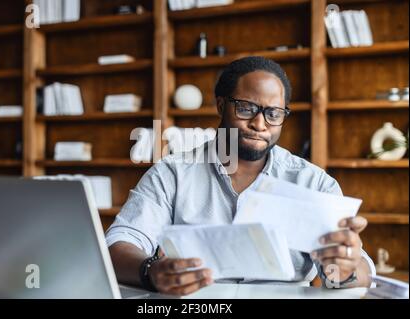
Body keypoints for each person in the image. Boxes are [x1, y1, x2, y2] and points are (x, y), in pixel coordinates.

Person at [106, 56, 375, 296]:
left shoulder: (314, 184)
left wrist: (347, 268)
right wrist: (150, 271)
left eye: (274, 114)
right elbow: (118, 244)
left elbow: (357, 274)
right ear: (221, 105)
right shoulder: (172, 173)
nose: (260, 124)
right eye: (246, 108)